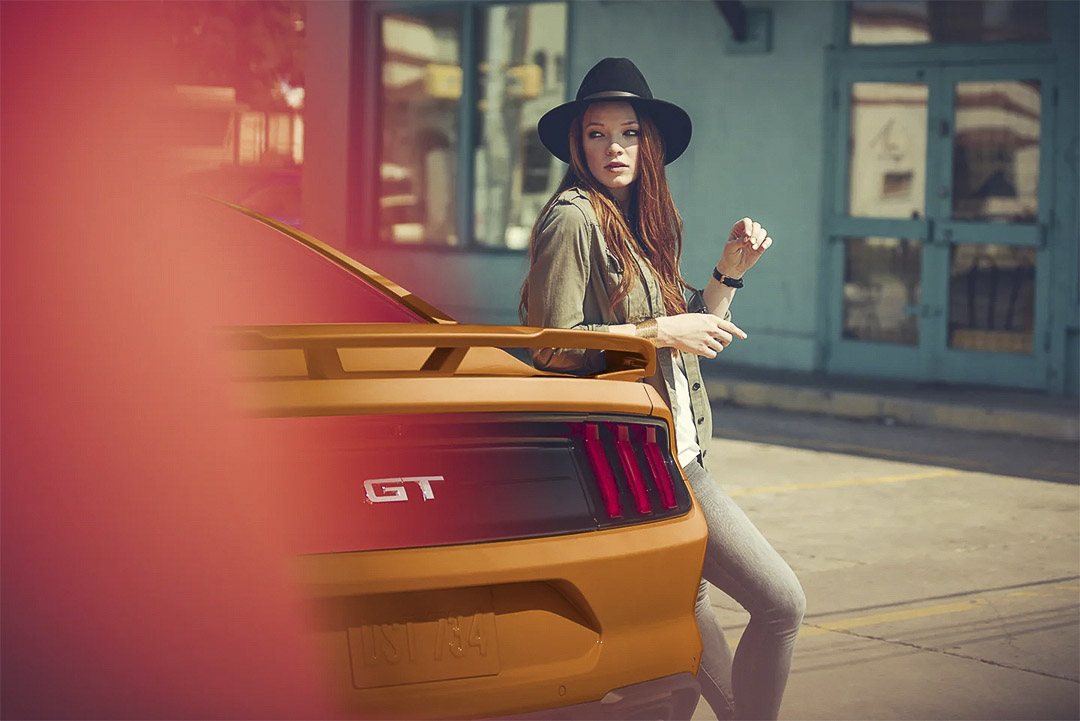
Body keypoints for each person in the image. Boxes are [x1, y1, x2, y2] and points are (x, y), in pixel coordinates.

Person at [520, 57, 806, 721]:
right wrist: (658, 328)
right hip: (642, 462)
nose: (613, 148)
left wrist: (726, 276)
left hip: (674, 451)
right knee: (781, 603)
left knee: (690, 606)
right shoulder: (574, 219)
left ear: (647, 144)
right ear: (577, 143)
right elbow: (552, 345)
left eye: (627, 133)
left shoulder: (634, 219)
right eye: (597, 133)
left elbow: (691, 331)